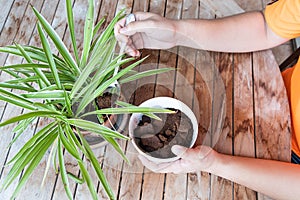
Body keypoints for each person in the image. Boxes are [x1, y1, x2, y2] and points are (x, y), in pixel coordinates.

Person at [114, 0, 300, 199]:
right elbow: (266, 28)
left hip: (283, 165)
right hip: (272, 92)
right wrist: (176, 32)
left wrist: (213, 164)